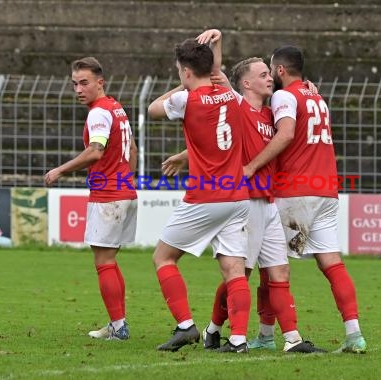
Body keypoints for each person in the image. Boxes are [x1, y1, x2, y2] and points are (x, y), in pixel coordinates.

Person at [163, 29, 326, 354]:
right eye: (263, 74)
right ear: (245, 83)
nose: (270, 78)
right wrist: (217, 44)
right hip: (245, 202)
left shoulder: (272, 113)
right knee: (240, 274)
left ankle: (292, 340)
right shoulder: (236, 105)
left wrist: (306, 88)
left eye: (270, 73)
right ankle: (216, 330)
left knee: (279, 271)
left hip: (267, 203)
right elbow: (213, 78)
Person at [243, 46, 367, 354]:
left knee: (271, 267)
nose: (270, 76)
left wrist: (252, 165)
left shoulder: (285, 97)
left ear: (281, 70)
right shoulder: (317, 98)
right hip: (325, 190)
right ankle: (355, 335)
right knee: (332, 264)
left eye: (271, 70)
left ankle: (266, 334)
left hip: (295, 191)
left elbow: (285, 135)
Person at [147, 37, 251, 353]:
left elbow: (152, 109)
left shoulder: (186, 100)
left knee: (163, 258)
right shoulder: (233, 97)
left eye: (181, 71)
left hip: (206, 197)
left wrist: (184, 88)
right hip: (238, 198)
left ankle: (185, 326)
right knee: (235, 270)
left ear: (187, 72)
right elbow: (214, 76)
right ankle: (238, 340)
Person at [44, 57, 138, 341]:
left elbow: (96, 151)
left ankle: (119, 327)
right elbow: (132, 148)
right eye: (74, 84)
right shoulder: (116, 108)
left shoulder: (98, 113)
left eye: (84, 83)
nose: (78, 89)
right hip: (124, 191)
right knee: (109, 259)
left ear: (100, 82)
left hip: (108, 195)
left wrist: (60, 169)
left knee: (104, 261)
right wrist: (127, 179)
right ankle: (117, 323)